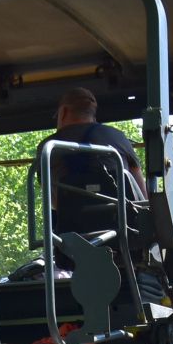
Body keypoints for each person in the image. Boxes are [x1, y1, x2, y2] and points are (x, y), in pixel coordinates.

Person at [34, 87, 147, 239]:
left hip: (73, 235)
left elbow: (53, 202)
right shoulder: (117, 137)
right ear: (93, 115)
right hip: (127, 232)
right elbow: (141, 192)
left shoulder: (48, 147)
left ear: (63, 113)